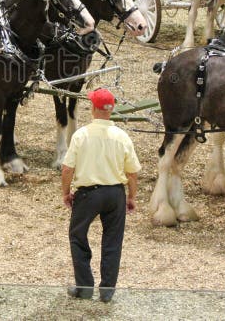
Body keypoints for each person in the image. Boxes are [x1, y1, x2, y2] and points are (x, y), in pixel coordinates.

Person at [62, 88, 140, 304]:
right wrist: (131, 196)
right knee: (113, 241)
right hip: (115, 193)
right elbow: (132, 172)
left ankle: (84, 286)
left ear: (93, 108)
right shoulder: (122, 137)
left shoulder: (81, 135)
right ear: (112, 109)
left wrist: (66, 192)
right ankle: (107, 290)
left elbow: (67, 169)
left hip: (88, 193)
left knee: (78, 236)